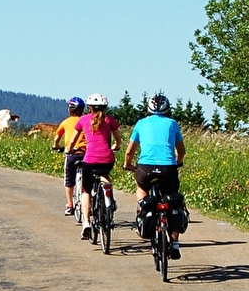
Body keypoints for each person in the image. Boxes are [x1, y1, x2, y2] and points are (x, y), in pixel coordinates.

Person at [123, 92, 186, 258]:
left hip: (145, 167)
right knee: (172, 200)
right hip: (168, 168)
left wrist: (127, 164)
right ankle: (175, 243)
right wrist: (178, 161)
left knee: (141, 186)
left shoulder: (141, 123)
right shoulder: (173, 124)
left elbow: (130, 151)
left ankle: (143, 209)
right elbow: (181, 150)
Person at [65, 93, 120, 241]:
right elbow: (118, 141)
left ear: (89, 108)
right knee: (105, 176)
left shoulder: (83, 120)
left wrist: (69, 150)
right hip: (107, 159)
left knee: (86, 190)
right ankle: (109, 200)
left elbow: (72, 142)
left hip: (89, 160)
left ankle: (86, 223)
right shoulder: (110, 120)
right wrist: (115, 146)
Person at [52, 96, 88, 215]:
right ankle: (90, 204)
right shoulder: (86, 120)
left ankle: (70, 205)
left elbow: (57, 138)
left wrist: (56, 146)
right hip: (86, 154)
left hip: (72, 154)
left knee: (69, 180)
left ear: (70, 109)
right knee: (89, 180)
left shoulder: (66, 122)